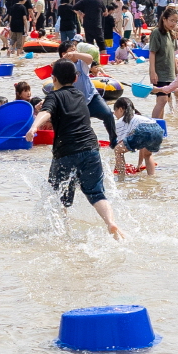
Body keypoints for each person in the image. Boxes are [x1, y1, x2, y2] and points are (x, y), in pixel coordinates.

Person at [32, 59, 122, 238]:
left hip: (66, 151)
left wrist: (34, 126)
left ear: (53, 79)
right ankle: (111, 223)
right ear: (75, 78)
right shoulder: (81, 96)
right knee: (96, 193)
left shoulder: (53, 96)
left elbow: (47, 112)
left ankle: (63, 233)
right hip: (91, 148)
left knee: (58, 194)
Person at [112, 95, 166, 175]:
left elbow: (120, 145)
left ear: (120, 109)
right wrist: (139, 163)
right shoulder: (138, 117)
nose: (114, 114)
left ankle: (121, 179)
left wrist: (118, 164)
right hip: (157, 129)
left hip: (144, 130)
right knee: (148, 155)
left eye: (115, 111)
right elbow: (142, 144)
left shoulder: (121, 121)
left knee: (117, 150)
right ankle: (151, 178)